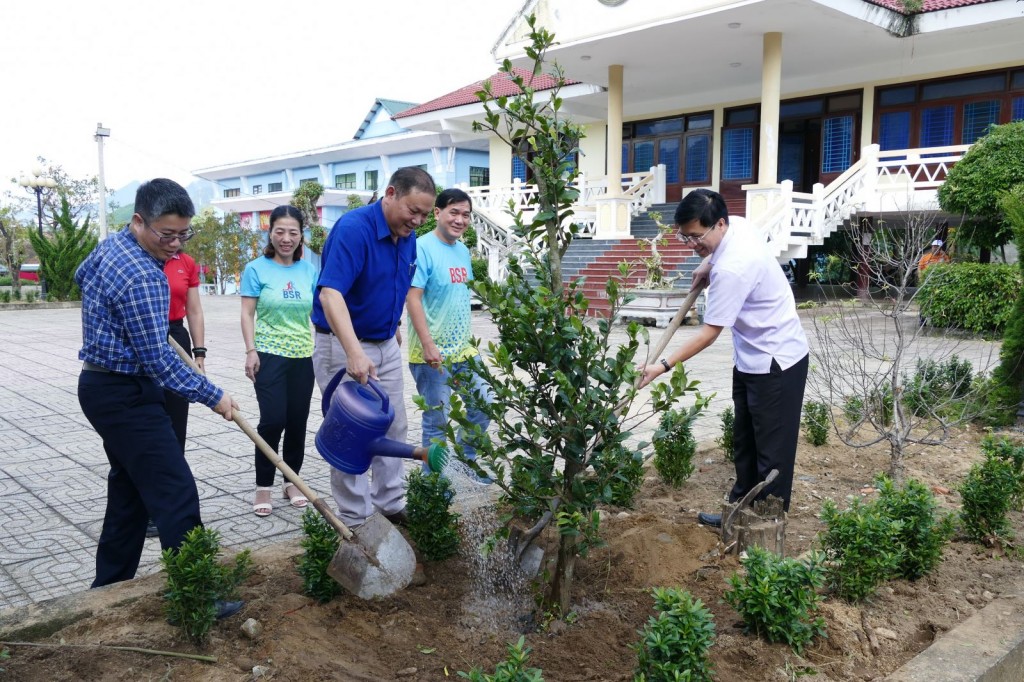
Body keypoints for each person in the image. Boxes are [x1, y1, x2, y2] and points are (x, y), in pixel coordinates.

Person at [76, 178, 239, 598]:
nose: (176, 244)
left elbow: (81, 275)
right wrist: (213, 395)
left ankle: (107, 589)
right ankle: (199, 594)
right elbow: (160, 362)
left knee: (130, 492)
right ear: (138, 221)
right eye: (166, 235)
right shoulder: (144, 278)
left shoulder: (112, 246)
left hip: (100, 385)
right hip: (125, 393)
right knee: (174, 489)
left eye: (184, 233)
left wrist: (113, 322)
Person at [639, 188, 809, 528]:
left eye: (697, 238)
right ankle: (737, 512)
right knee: (745, 442)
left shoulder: (733, 268)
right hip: (751, 358)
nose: (692, 244)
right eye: (685, 238)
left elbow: (708, 333)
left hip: (777, 362)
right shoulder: (738, 227)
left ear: (719, 224)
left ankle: (765, 526)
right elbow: (719, 250)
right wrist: (706, 260)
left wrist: (662, 366)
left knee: (772, 453)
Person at [311, 166, 436, 529]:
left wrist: (391, 323)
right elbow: (331, 292)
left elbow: (393, 283)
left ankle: (390, 501)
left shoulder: (407, 235)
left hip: (385, 343)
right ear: (391, 192)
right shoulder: (354, 229)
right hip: (343, 344)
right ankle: (355, 515)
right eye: (413, 210)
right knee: (351, 430)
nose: (417, 220)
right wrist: (354, 352)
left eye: (425, 215)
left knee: (394, 424)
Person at [406, 189, 492, 476]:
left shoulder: (463, 251)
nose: (460, 219)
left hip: (464, 350)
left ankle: (465, 463)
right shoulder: (420, 248)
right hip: (431, 354)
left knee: (485, 404)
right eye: (454, 212)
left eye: (465, 214)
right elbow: (412, 297)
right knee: (436, 422)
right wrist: (429, 345)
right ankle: (433, 489)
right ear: (437, 213)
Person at [240, 205, 317, 517]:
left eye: (293, 233)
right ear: (270, 232)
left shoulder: (309, 270)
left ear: (301, 236)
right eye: (280, 232)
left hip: (302, 356)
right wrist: (250, 350)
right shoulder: (256, 269)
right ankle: (263, 485)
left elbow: (320, 311)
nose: (287, 238)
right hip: (269, 355)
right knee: (273, 421)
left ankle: (292, 480)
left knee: (297, 422)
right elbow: (247, 313)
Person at [144, 244, 208, 538]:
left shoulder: (186, 263)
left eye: (183, 233)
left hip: (176, 336)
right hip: (145, 337)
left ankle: (167, 506)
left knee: (174, 427)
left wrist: (199, 353)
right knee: (146, 426)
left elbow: (194, 310)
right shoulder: (141, 259)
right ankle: (144, 505)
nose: (176, 240)